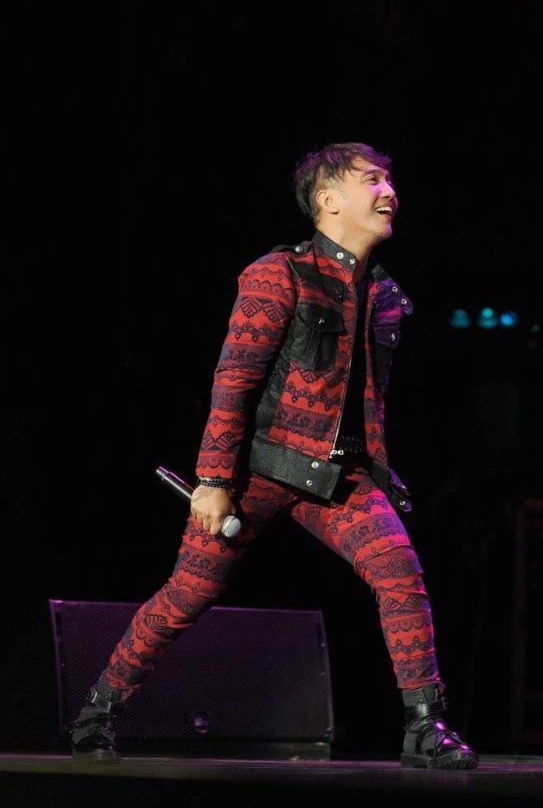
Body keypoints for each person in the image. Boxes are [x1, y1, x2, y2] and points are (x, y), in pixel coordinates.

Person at [70, 142, 478, 770]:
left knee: (398, 568)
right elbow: (233, 380)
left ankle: (426, 727)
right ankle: (98, 709)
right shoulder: (277, 274)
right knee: (190, 592)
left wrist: (380, 470)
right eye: (371, 179)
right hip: (259, 466)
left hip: (336, 473)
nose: (388, 190)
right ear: (328, 200)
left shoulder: (386, 295)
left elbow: (365, 397)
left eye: (389, 178)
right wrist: (211, 479)